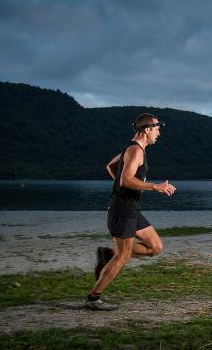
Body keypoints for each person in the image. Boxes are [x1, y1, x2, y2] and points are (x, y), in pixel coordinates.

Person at [85, 113, 176, 311]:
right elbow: (125, 179)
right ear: (146, 130)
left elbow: (111, 167)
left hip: (131, 209)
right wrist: (155, 187)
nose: (159, 132)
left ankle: (108, 253)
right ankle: (93, 297)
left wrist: (122, 190)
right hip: (123, 212)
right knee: (123, 257)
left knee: (155, 247)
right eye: (157, 128)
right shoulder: (135, 151)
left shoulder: (135, 148)